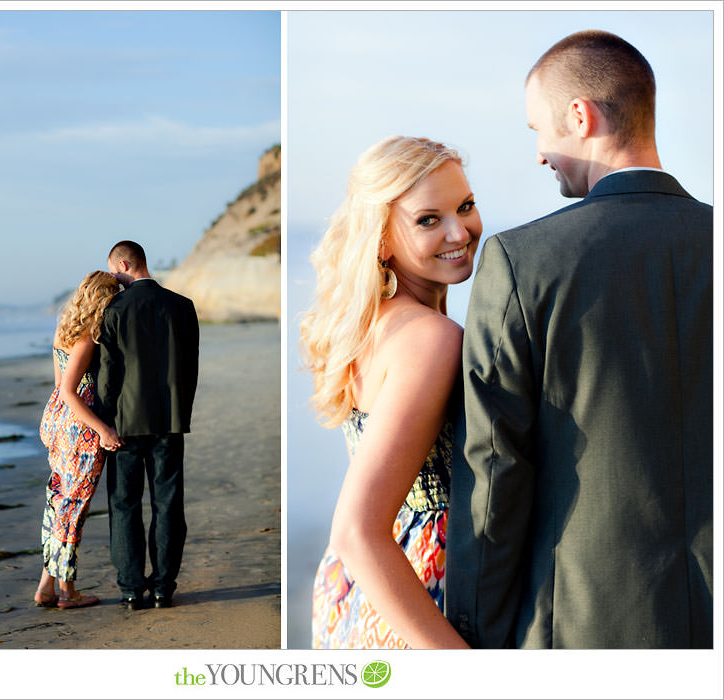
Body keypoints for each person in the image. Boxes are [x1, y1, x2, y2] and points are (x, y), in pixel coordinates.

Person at [445, 30, 713, 648]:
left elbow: (492, 468)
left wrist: (473, 635)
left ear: (579, 116)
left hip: (579, 626)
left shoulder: (522, 261)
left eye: (538, 129)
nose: (540, 153)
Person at [301, 136, 479, 649]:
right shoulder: (430, 339)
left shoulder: (365, 328)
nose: (458, 230)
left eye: (465, 206)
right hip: (414, 588)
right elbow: (356, 529)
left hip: (352, 589)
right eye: (428, 219)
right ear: (381, 240)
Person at [96, 240, 200, 610]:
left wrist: (104, 421)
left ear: (124, 264)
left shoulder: (114, 310)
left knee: (124, 504)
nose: (113, 277)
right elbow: (190, 369)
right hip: (169, 420)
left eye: (113, 270)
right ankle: (163, 587)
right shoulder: (182, 307)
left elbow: (108, 373)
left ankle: (129, 588)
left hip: (123, 422)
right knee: (168, 504)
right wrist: (180, 411)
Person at [35, 270, 124, 609]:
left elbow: (58, 387)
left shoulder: (63, 330)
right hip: (78, 426)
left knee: (58, 502)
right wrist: (104, 429)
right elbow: (72, 393)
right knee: (72, 508)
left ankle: (46, 586)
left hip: (55, 418)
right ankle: (67, 591)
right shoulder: (87, 337)